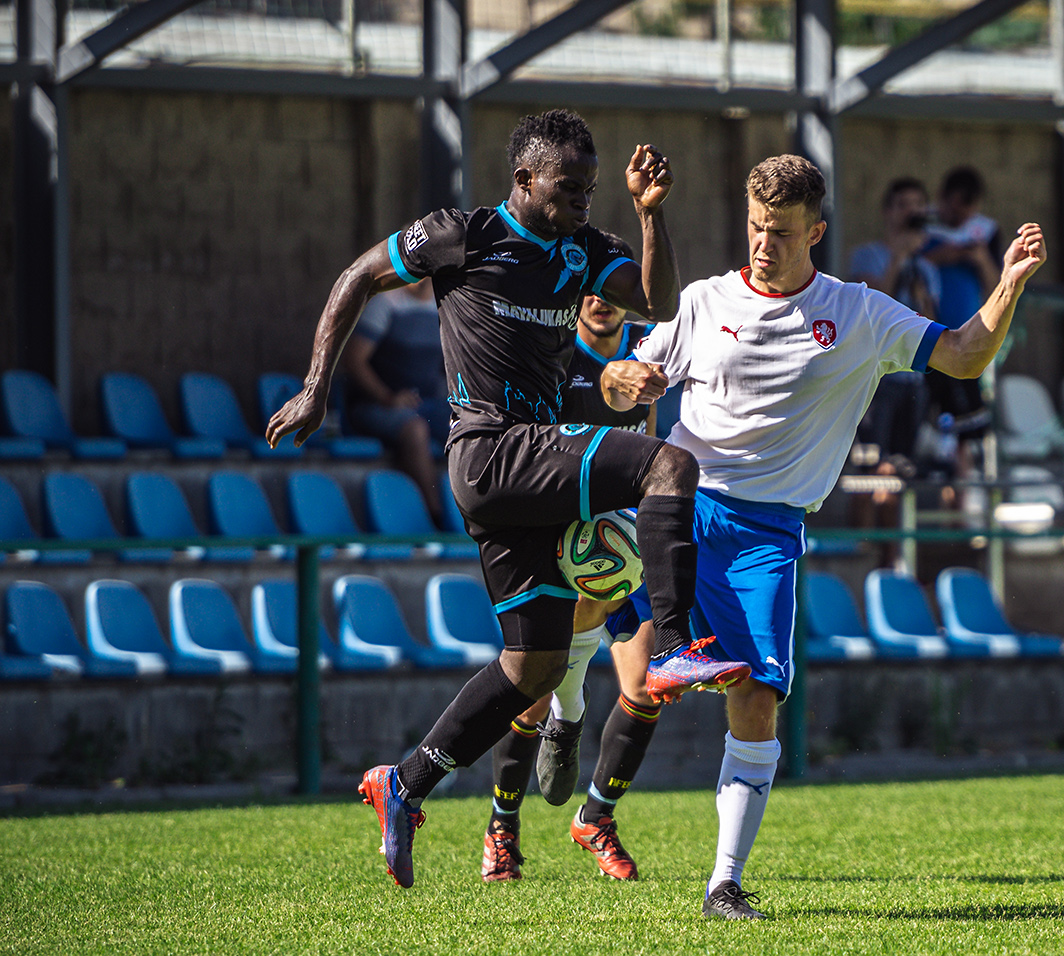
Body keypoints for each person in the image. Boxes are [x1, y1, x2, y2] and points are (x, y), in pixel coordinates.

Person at [264, 109, 749, 891]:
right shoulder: (461, 235)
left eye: (591, 188)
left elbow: (655, 302)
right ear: (524, 179)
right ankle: (670, 647)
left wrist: (649, 214)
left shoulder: (587, 249)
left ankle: (405, 783)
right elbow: (357, 275)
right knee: (668, 467)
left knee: (534, 666)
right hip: (492, 448)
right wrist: (317, 388)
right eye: (569, 187)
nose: (582, 200)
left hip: (521, 475)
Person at [601, 154, 1046, 919]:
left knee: (756, 698)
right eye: (754, 227)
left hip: (764, 534)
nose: (762, 244)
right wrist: (624, 383)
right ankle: (536, 781)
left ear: (815, 232)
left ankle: (723, 883)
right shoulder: (703, 301)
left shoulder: (858, 313)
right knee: (608, 661)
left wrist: (1007, 283)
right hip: (678, 511)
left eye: (779, 231)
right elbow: (618, 382)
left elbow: (963, 355)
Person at [481, 232, 666, 885]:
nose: (601, 301)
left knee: (647, 688)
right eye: (590, 289)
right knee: (533, 693)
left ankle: (596, 817)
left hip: (624, 546)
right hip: (567, 548)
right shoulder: (553, 358)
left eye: (612, 290)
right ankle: (502, 829)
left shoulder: (650, 347)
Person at [848, 177, 939, 464]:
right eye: (903, 205)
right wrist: (898, 257)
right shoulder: (866, 256)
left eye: (917, 205)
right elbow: (872, 307)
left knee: (903, 466)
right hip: (878, 378)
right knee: (870, 466)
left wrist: (921, 294)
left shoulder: (928, 268)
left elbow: (933, 324)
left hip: (914, 379)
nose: (911, 212)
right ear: (887, 211)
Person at [341, 278, 449, 517]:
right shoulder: (384, 303)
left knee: (470, 426)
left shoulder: (444, 305)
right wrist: (387, 397)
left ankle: (474, 514)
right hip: (378, 405)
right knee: (415, 430)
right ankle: (435, 517)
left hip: (430, 405)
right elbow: (354, 361)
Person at [923, 167, 1001, 478]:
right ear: (942, 199)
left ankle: (962, 486)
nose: (960, 219)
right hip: (928, 338)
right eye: (955, 209)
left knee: (966, 427)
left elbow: (998, 287)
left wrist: (980, 259)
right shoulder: (922, 226)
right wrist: (939, 257)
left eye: (967, 212)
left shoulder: (985, 234)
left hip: (969, 338)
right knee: (930, 420)